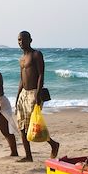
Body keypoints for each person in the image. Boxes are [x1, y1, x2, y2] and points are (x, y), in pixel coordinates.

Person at [15, 31, 60, 162]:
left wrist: (38, 94)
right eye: (18, 40)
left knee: (34, 125)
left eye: (23, 40)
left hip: (34, 92)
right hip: (23, 94)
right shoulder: (21, 58)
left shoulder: (36, 54)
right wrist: (17, 96)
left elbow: (41, 75)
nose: (21, 42)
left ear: (30, 40)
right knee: (21, 126)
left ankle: (53, 144)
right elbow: (21, 79)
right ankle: (28, 156)